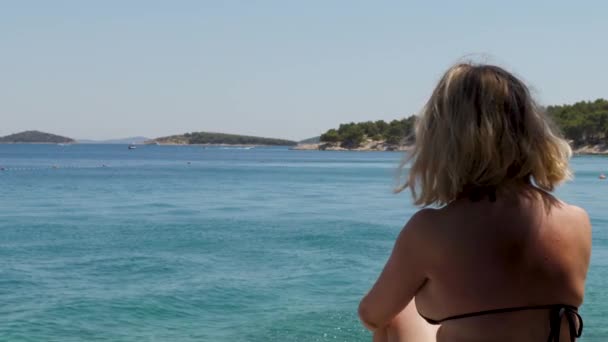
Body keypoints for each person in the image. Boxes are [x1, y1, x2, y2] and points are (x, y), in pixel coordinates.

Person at [358, 63, 592, 341]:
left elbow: (372, 315)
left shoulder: (431, 230)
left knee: (395, 315)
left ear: (442, 142)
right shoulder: (577, 220)